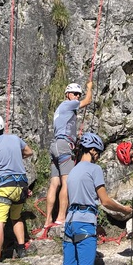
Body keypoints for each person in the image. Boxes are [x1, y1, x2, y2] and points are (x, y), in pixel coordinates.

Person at [54, 132, 133, 265]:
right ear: (92, 150)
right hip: (85, 222)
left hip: (70, 222)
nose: (97, 156)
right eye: (97, 152)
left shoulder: (72, 171)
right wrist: (124, 209)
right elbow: (104, 200)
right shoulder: (94, 169)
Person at [37, 79, 93, 238]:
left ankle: (47, 221)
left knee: (54, 183)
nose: (77, 96)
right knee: (67, 182)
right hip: (63, 146)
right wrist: (89, 88)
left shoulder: (61, 109)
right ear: (67, 94)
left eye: (79, 94)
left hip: (55, 145)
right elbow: (87, 101)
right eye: (75, 93)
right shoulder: (68, 104)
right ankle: (61, 218)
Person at [0, 114, 34, 263]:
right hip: (21, 185)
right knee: (16, 217)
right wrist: (16, 157)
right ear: (3, 126)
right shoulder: (15, 139)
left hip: (4, 187)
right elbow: (29, 152)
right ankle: (21, 249)